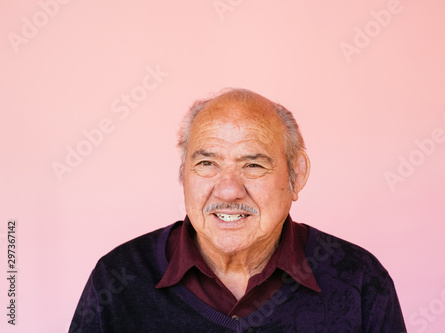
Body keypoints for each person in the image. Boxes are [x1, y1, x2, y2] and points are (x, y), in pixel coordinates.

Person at [70, 88, 406, 332]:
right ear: (183, 173)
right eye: (206, 163)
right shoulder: (118, 278)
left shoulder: (358, 280)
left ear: (297, 175)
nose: (228, 189)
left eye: (253, 166)